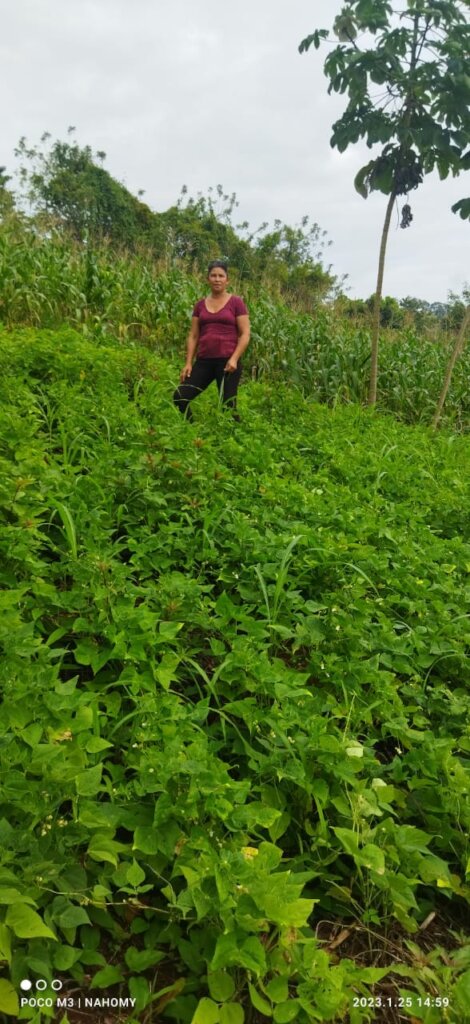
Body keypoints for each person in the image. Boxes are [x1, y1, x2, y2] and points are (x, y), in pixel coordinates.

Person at [173, 260, 250, 421]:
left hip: (228, 362)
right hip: (204, 361)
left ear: (227, 280)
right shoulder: (200, 305)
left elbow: (245, 334)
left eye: (221, 276)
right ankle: (192, 430)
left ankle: (238, 434)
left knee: (228, 408)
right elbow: (193, 335)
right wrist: (188, 363)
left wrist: (234, 359)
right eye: (213, 275)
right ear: (208, 279)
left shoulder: (236, 302)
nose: (217, 279)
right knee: (180, 396)